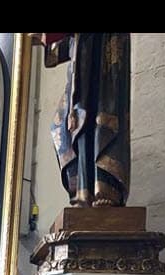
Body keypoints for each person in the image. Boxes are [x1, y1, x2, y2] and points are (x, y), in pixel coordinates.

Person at [33, 33, 131, 207]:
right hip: (80, 60)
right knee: (64, 127)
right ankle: (82, 191)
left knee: (99, 120)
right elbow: (59, 47)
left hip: (104, 61)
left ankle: (106, 188)